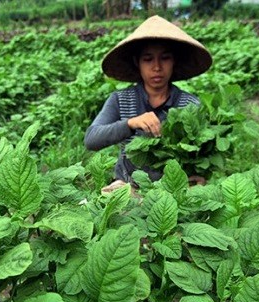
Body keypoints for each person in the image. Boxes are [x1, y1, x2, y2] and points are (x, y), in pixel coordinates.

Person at [84, 15, 212, 193]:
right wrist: (130, 123)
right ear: (137, 62)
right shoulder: (121, 100)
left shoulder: (190, 104)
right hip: (127, 186)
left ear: (174, 61)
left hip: (173, 189)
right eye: (148, 59)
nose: (157, 67)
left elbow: (203, 155)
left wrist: (199, 176)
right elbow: (91, 139)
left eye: (165, 58)